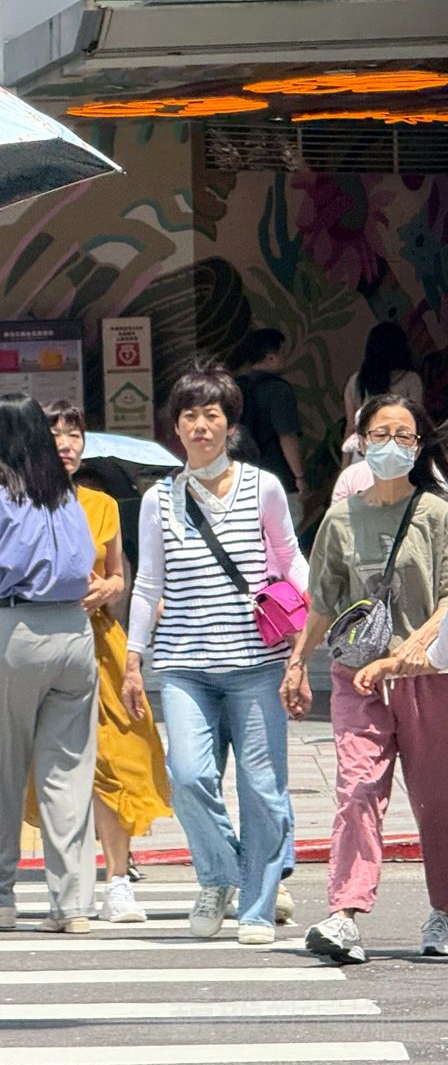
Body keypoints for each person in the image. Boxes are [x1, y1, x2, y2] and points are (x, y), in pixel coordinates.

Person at [125, 360, 308, 945]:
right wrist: (134, 659)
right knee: (187, 775)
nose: (200, 426)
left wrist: (304, 629)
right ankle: (221, 875)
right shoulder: (157, 499)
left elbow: (292, 559)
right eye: (188, 416)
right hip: (183, 665)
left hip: (257, 663)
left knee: (262, 786)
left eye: (212, 415)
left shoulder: (265, 488)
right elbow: (148, 584)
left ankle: (255, 906)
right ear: (174, 428)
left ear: (230, 425)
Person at [285, 394, 448, 963]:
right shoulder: (340, 516)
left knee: (438, 801)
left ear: (420, 445)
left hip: (429, 677)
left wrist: (410, 648)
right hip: (358, 677)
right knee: (356, 789)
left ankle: (444, 913)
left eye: (406, 436)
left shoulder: (437, 513)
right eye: (382, 434)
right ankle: (345, 914)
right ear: (360, 440)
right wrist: (299, 660)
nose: (393, 445)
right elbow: (323, 601)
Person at [33, 401, 173, 924]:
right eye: (54, 433)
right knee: (57, 765)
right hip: (42, 641)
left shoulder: (101, 505)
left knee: (118, 756)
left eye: (74, 433)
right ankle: (68, 881)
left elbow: (120, 579)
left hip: (99, 642)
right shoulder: (16, 504)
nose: (66, 444)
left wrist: (106, 588)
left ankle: (118, 879)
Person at [0, 395, 98, 935]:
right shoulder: (67, 500)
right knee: (68, 773)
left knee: (3, 770)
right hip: (74, 634)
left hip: (16, 632)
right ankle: (73, 903)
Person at [232, 329, 308, 524]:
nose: (285, 358)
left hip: (240, 475)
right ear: (271, 358)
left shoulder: (234, 388)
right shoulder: (279, 389)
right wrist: (299, 476)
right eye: (282, 353)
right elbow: (287, 436)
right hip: (277, 474)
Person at [342, 322, 423, 463]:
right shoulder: (410, 379)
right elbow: (417, 423)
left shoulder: (356, 381)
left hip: (364, 458)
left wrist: (345, 467)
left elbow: (350, 428)